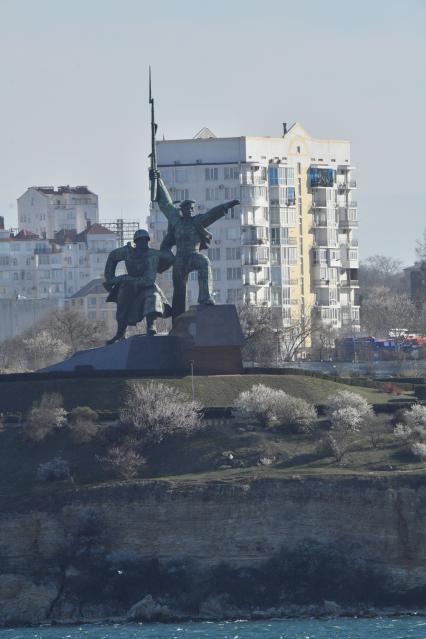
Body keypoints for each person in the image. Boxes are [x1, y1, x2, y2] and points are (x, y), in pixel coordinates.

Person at [151, 169, 240, 319]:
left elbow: (212, 214)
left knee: (204, 262)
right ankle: (178, 316)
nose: (191, 211)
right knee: (179, 288)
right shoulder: (176, 222)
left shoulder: (197, 221)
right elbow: (166, 204)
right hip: (180, 258)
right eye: (188, 209)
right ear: (183, 210)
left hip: (193, 255)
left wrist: (227, 205)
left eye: (192, 209)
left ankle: (205, 298)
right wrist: (158, 180)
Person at [103, 229, 173, 344]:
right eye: (141, 241)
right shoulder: (127, 252)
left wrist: (167, 245)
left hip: (146, 286)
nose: (143, 243)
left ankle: (151, 326)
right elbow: (112, 257)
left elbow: (149, 280)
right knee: (122, 303)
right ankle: (120, 333)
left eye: (146, 241)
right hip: (128, 287)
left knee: (153, 297)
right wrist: (112, 279)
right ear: (136, 242)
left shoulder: (152, 255)